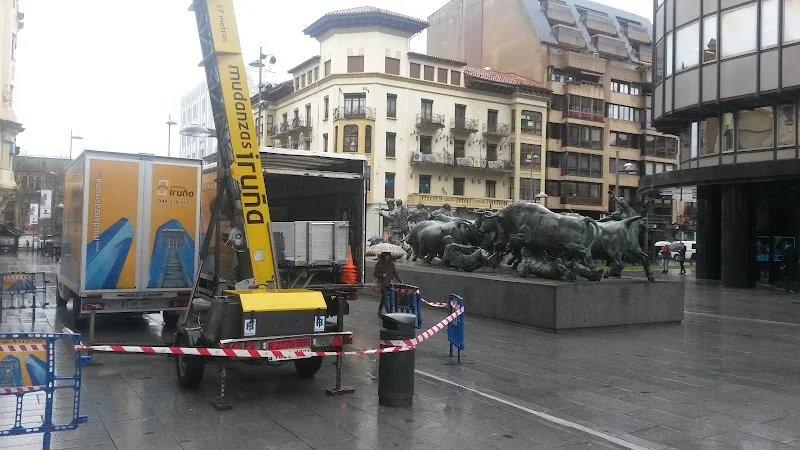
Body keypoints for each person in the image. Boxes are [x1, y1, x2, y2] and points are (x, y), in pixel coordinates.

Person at [373, 251, 403, 316]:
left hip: (389, 283)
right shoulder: (379, 263)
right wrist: (382, 275)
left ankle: (380, 310)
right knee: (386, 297)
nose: (387, 257)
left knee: (384, 298)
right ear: (383, 256)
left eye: (388, 256)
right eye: (386, 256)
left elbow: (395, 272)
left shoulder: (391, 264)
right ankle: (389, 312)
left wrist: (400, 280)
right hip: (382, 283)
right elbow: (375, 273)